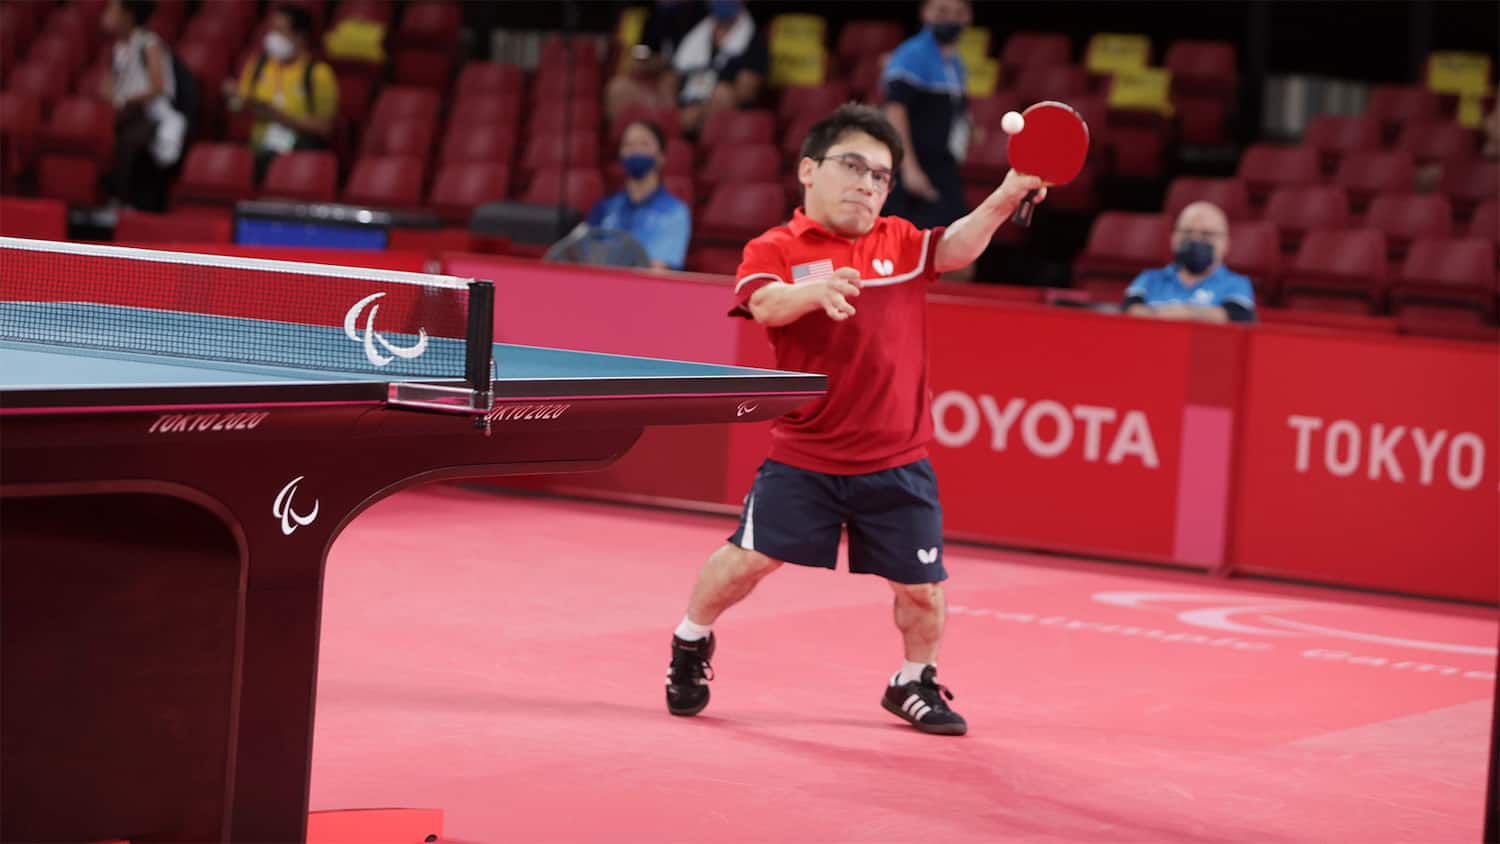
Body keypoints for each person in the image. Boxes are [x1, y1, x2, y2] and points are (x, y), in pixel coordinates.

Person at [662, 104, 1044, 735]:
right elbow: (765, 304)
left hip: (897, 459)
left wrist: (1008, 192)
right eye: (854, 166)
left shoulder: (899, 241)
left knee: (921, 589)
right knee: (747, 561)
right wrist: (813, 291)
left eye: (881, 176)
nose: (868, 184)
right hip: (805, 456)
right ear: (809, 170)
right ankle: (690, 640)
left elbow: (956, 244)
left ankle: (913, 680)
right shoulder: (775, 248)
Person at [881, 0, 972, 238]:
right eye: (942, 11)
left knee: (956, 242)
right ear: (925, 13)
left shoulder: (956, 63)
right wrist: (910, 169)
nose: (950, 19)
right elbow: (894, 111)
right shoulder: (911, 54)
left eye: (957, 13)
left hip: (943, 167)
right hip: (916, 169)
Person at [224, 4, 339, 181]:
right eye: (271, 30)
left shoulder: (318, 74)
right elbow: (239, 107)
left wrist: (281, 117)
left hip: (297, 157)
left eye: (279, 31)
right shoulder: (258, 65)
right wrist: (235, 98)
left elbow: (325, 128)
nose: (272, 37)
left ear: (300, 36)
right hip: (257, 150)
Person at [100, 0, 186, 211]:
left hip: (154, 114)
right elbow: (110, 87)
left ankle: (126, 201)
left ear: (128, 16)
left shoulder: (149, 44)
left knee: (129, 141)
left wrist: (125, 99)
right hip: (130, 113)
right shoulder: (119, 48)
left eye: (113, 9)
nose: (107, 14)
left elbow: (158, 87)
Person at [1122, 201, 1256, 323]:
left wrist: (1167, 313)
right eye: (1187, 232)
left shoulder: (1237, 284)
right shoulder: (1149, 278)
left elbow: (1235, 317)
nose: (1195, 240)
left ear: (1225, 242)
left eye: (1207, 234)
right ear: (1174, 238)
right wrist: (1196, 314)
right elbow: (1129, 310)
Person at [585, 120, 692, 271]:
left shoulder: (675, 211)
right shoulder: (604, 207)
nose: (635, 150)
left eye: (644, 144)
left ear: (661, 156)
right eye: (628, 145)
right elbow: (586, 256)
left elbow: (660, 267)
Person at [668, 0, 769, 135]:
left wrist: (701, 109)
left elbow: (747, 91)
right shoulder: (695, 29)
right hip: (687, 98)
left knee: (722, 93)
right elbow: (676, 70)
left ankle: (703, 137)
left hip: (717, 110)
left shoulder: (754, 39)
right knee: (666, 82)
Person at [604, 0, 705, 121]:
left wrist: (665, 62)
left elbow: (683, 61)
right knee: (617, 87)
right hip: (652, 73)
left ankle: (668, 125)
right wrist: (647, 59)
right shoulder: (653, 16)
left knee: (669, 81)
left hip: (686, 79)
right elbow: (642, 50)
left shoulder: (698, 14)